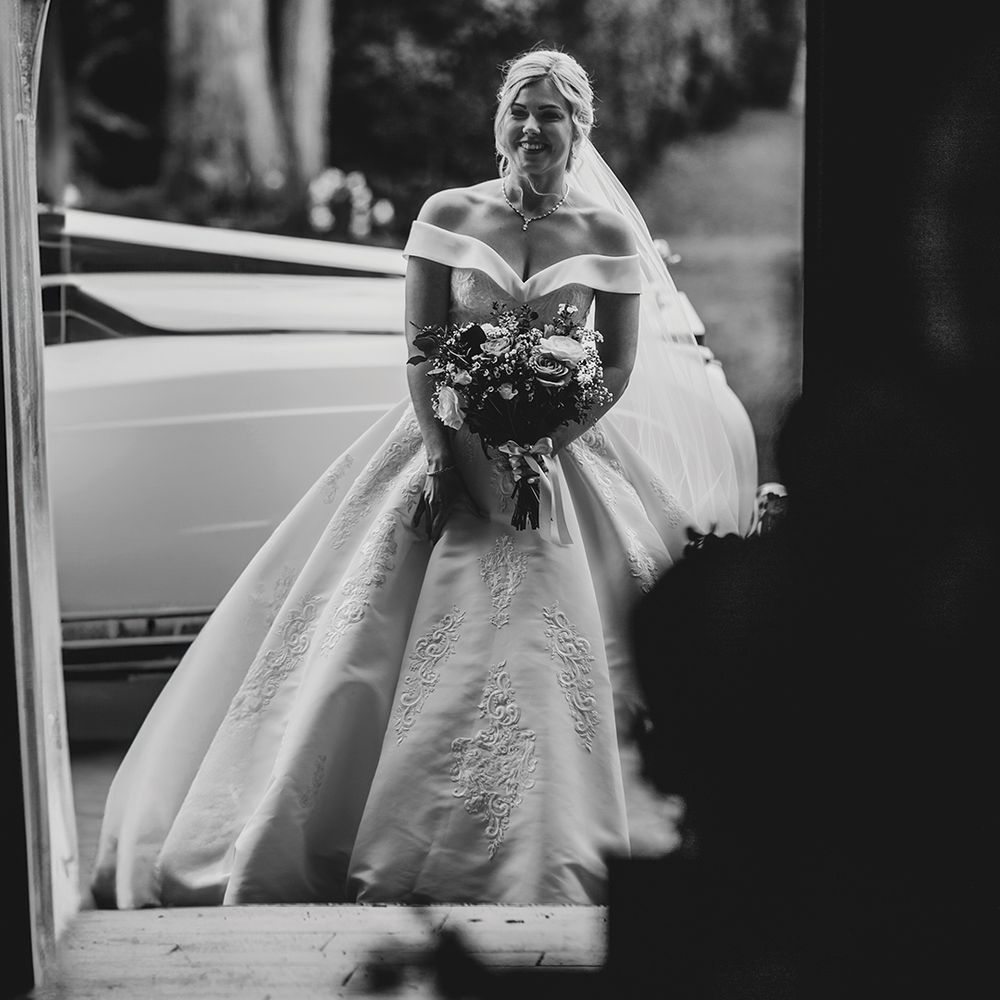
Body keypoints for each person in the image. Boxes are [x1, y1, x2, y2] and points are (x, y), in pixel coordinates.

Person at [90, 48, 748, 909]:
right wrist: (445, 455)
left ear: (579, 129)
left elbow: (616, 370)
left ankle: (544, 845)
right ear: (498, 121)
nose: (532, 127)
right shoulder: (448, 215)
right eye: (520, 109)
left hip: (554, 464)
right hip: (441, 449)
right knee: (359, 644)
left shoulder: (608, 237)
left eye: (551, 113)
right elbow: (420, 348)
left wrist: (547, 437)